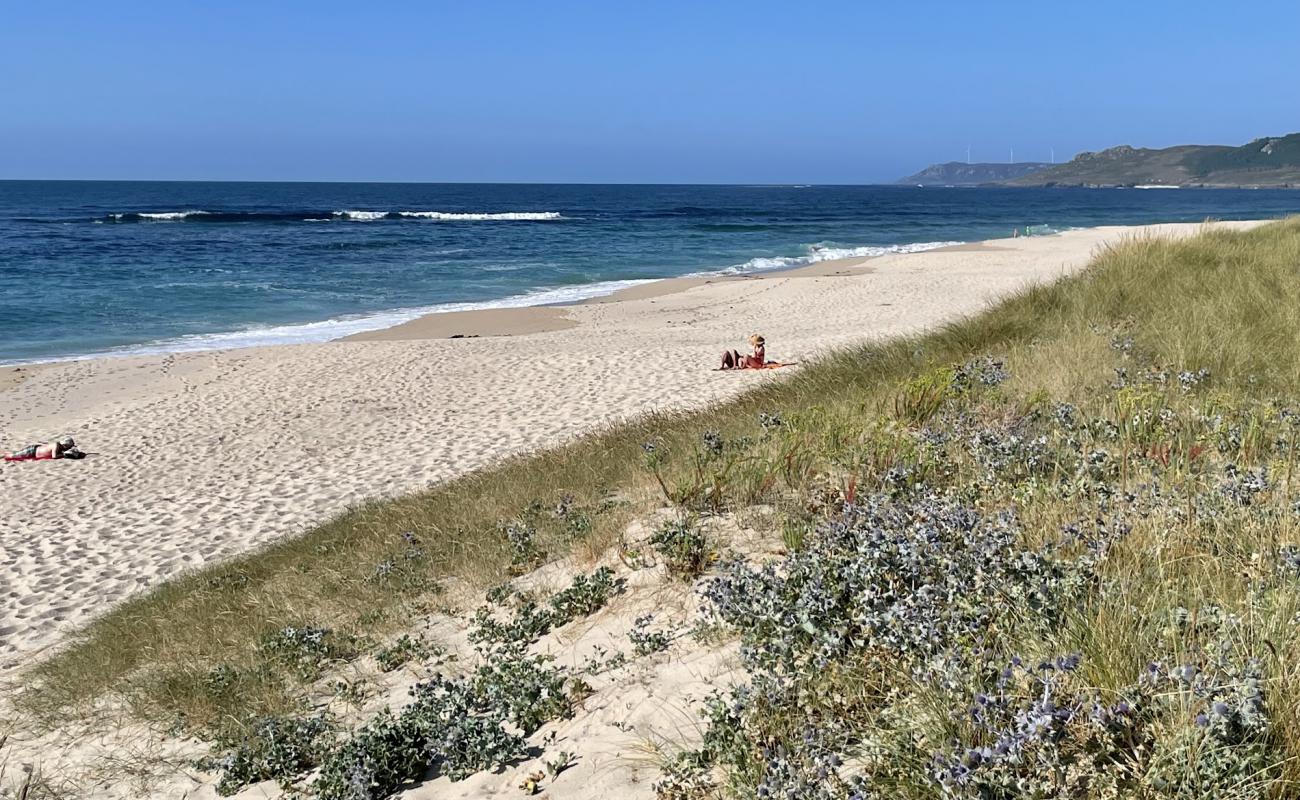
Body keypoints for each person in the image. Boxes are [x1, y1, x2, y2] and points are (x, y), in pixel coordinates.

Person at [4, 435, 86, 462]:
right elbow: (54, 456)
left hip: (35, 450)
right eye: (70, 446)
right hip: (32, 451)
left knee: (15, 454)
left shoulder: (59, 446)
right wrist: (65, 455)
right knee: (12, 456)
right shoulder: (56, 446)